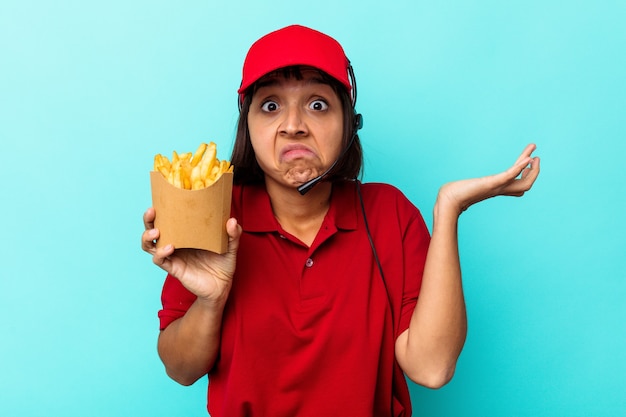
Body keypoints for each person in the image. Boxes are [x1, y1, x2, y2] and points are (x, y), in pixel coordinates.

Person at [141, 24, 540, 417]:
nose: (293, 124)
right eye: (270, 105)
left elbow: (431, 368)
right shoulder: (215, 213)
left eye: (317, 104)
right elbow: (181, 369)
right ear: (248, 125)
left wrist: (449, 209)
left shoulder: (389, 213)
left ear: (349, 123)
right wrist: (211, 302)